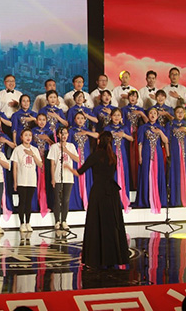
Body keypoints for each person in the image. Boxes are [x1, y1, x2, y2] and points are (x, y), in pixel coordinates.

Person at [70, 131, 129, 268]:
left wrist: (68, 168)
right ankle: (113, 256)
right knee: (112, 224)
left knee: (96, 224)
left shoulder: (95, 156)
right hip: (111, 192)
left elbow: (79, 172)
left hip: (99, 192)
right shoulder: (113, 156)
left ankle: (96, 258)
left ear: (99, 142)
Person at [135, 108, 168, 213]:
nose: (153, 115)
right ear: (147, 115)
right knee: (146, 174)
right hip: (146, 152)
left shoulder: (160, 127)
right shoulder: (143, 128)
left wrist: (160, 132)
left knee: (158, 174)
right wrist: (140, 156)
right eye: (150, 113)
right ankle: (146, 199)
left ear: (157, 116)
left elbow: (166, 141)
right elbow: (140, 143)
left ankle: (158, 198)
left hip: (158, 153)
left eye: (155, 113)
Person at [47, 127, 79, 230]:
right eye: (61, 133)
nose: (64, 135)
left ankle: (64, 220)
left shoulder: (71, 146)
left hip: (68, 177)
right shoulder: (54, 147)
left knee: (66, 200)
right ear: (58, 135)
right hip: (57, 176)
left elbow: (77, 159)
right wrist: (53, 178)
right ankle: (57, 221)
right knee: (57, 199)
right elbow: (52, 164)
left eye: (65, 133)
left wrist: (66, 151)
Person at [11, 129, 43, 232]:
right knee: (22, 201)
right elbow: (15, 167)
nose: (28, 137)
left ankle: (28, 222)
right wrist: (15, 182)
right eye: (26, 135)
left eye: (30, 135)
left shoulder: (35, 149)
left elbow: (40, 165)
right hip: (21, 179)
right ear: (21, 137)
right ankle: (22, 223)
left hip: (31, 179)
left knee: (29, 202)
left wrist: (32, 154)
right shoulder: (17, 149)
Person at [104, 108, 133, 212]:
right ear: (111, 117)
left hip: (122, 155)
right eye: (114, 115)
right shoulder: (107, 128)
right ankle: (111, 200)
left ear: (121, 117)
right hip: (111, 155)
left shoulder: (124, 128)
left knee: (122, 175)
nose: (116, 117)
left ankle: (123, 199)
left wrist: (123, 135)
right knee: (112, 176)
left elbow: (131, 139)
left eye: (118, 115)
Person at [68, 112, 98, 211]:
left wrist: (87, 133)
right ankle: (76, 201)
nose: (80, 120)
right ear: (75, 120)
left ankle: (87, 201)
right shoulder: (71, 131)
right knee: (76, 177)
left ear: (85, 120)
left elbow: (98, 135)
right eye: (78, 118)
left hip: (86, 158)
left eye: (82, 118)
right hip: (75, 158)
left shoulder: (87, 130)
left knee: (86, 177)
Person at [168, 106, 186, 207]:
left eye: (182, 112)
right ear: (174, 113)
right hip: (174, 151)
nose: (180, 114)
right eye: (178, 112)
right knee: (176, 173)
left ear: (185, 114)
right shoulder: (170, 124)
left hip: (185, 151)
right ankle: (176, 199)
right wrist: (168, 153)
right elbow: (167, 140)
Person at [32, 113, 54, 217]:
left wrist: (47, 139)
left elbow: (55, 146)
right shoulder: (32, 132)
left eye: (43, 120)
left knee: (46, 181)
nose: (41, 122)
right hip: (35, 159)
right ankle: (35, 204)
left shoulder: (49, 132)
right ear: (36, 121)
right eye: (39, 120)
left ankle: (46, 204)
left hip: (46, 159)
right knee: (36, 180)